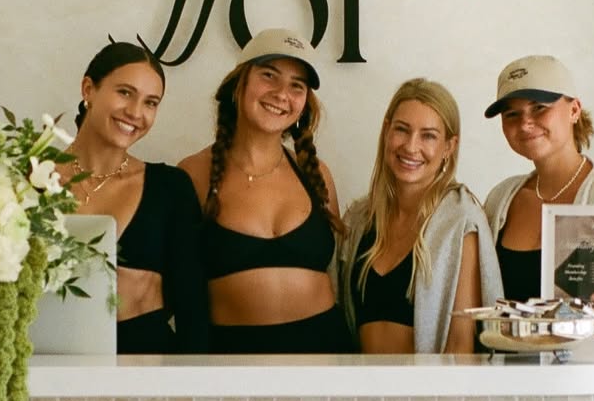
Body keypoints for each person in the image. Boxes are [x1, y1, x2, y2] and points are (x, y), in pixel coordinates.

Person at [178, 28, 352, 353]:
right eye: (269, 75)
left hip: (325, 358)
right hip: (232, 366)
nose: (281, 93)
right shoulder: (192, 174)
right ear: (239, 82)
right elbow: (184, 293)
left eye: (296, 86)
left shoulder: (316, 174)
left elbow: (338, 280)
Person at [482, 54, 594, 324]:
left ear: (574, 110)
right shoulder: (500, 200)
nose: (525, 123)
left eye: (539, 108)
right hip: (508, 366)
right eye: (512, 114)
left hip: (586, 366)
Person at [62, 40, 208, 353]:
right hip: (46, 363)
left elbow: (192, 307)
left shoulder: (171, 188)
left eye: (151, 102)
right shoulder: (25, 180)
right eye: (125, 92)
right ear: (88, 89)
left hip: (146, 365)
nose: (135, 112)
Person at [340, 78, 502, 354]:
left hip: (424, 393)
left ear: (449, 146)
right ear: (387, 131)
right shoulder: (360, 219)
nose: (411, 147)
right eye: (402, 130)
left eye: (428, 135)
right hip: (364, 391)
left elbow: (461, 344)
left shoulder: (461, 221)